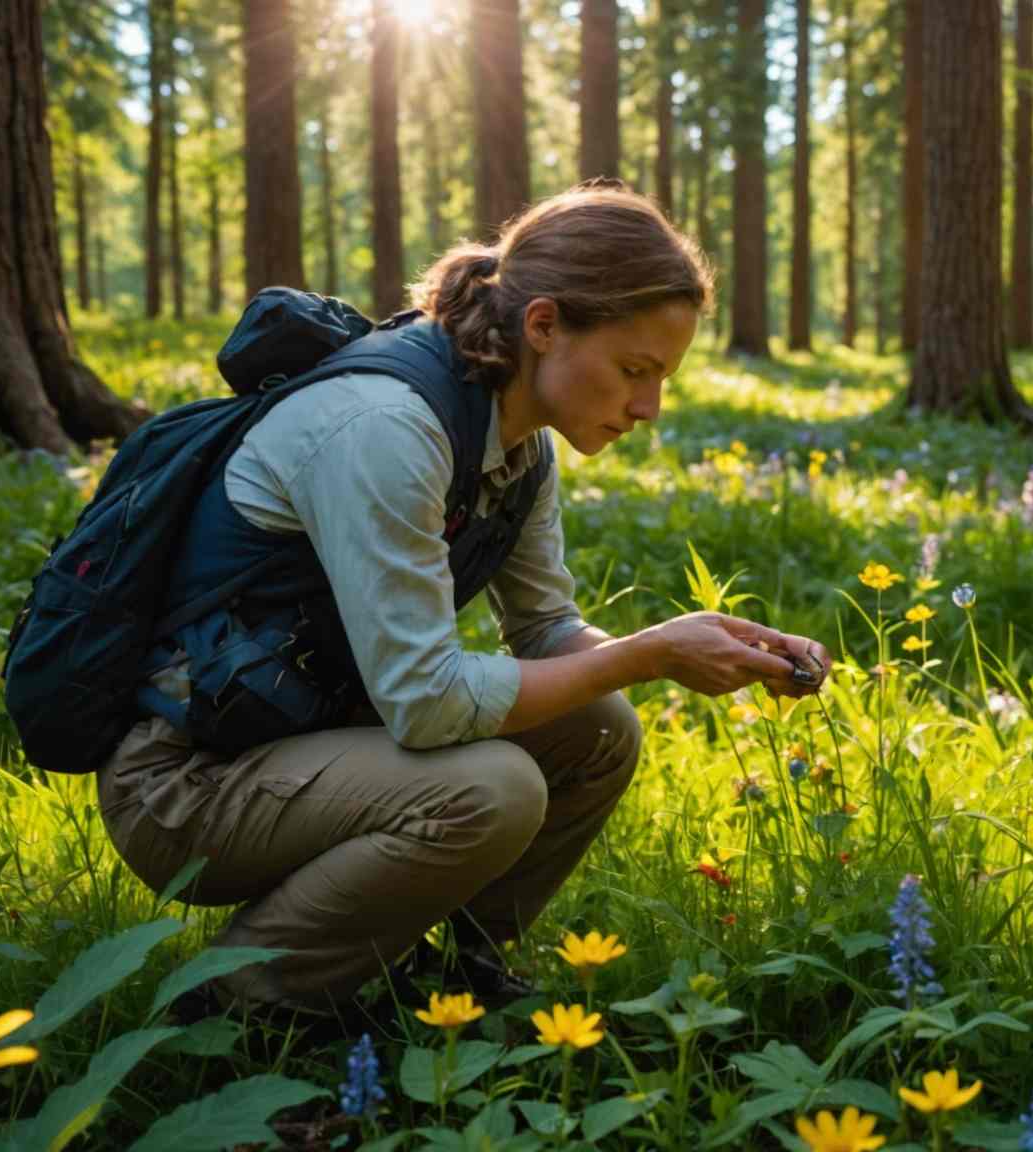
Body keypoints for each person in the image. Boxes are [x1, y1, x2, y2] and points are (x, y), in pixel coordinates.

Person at [97, 185, 831, 1026]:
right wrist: (650, 654)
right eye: (635, 372)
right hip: (190, 780)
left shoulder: (518, 438)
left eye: (661, 380)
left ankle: (448, 977)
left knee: (601, 728)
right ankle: (240, 1003)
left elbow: (548, 629)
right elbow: (426, 703)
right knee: (492, 788)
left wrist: (700, 645)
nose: (648, 409)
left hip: (311, 743)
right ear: (544, 325)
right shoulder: (387, 427)